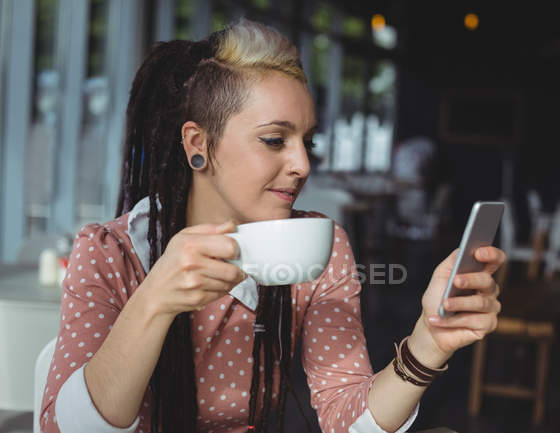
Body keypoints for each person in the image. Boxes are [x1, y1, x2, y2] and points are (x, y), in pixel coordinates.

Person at [39, 19, 504, 433]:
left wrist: (427, 343)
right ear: (199, 144)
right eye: (274, 140)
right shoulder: (111, 252)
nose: (302, 163)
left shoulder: (320, 247)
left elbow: (348, 417)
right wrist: (154, 301)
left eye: (307, 141)